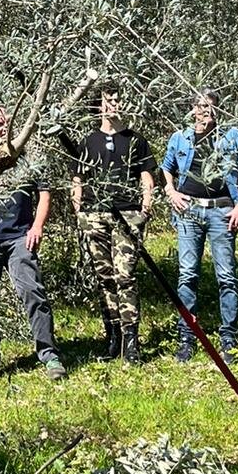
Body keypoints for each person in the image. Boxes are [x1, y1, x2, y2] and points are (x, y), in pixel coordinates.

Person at [0, 106, 66, 381]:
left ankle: (49, 354)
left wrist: (37, 227)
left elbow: (45, 193)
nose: (3, 127)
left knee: (33, 293)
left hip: (20, 237)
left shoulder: (26, 155)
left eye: (7, 122)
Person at [161, 90, 238, 362]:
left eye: (210, 107)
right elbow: (166, 166)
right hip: (189, 211)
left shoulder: (232, 135)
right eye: (200, 106)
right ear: (192, 109)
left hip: (222, 211)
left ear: (217, 110)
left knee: (226, 276)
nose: (205, 112)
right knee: (187, 274)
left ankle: (229, 337)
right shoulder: (180, 137)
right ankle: (187, 336)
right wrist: (171, 191)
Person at [69, 84, 157, 363]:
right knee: (105, 278)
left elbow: (146, 175)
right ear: (99, 107)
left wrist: (145, 204)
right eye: (109, 101)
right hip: (95, 216)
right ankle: (113, 336)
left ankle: (131, 340)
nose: (114, 105)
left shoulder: (135, 141)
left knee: (125, 275)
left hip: (127, 215)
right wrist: (79, 211)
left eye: (118, 100)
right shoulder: (87, 141)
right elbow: (78, 180)